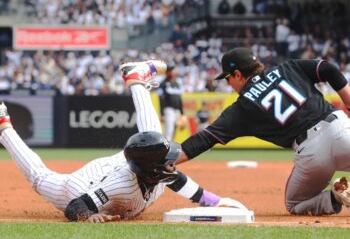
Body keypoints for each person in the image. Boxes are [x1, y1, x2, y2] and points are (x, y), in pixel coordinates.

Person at [0, 60, 247, 223]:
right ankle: (3, 125)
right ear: (152, 171)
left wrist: (214, 201)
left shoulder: (156, 171)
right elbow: (75, 207)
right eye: (168, 162)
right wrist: (88, 217)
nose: (173, 162)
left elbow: (181, 183)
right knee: (40, 178)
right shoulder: (122, 186)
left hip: (113, 167)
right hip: (79, 187)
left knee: (153, 135)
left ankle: (136, 79)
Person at [175, 47, 350, 216]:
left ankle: (335, 196)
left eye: (227, 78)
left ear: (237, 74)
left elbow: (205, 139)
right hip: (339, 128)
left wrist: (165, 161)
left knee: (294, 204)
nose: (228, 84)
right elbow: (326, 68)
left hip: (312, 152)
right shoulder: (288, 67)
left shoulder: (242, 108)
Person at [158, 63, 184, 141]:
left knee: (174, 130)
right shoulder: (163, 84)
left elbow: (179, 99)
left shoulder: (177, 84)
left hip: (177, 110)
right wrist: (162, 114)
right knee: (169, 130)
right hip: (168, 109)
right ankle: (165, 148)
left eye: (173, 70)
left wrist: (182, 113)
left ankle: (171, 147)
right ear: (167, 72)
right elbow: (161, 99)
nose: (173, 72)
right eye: (171, 70)